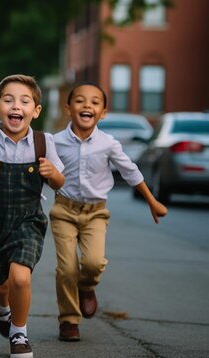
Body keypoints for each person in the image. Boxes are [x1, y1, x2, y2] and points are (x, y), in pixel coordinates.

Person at [51, 82, 167, 342]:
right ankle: (69, 320)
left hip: (95, 213)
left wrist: (151, 201)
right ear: (69, 108)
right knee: (66, 269)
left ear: (102, 112)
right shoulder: (55, 142)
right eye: (80, 101)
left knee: (92, 263)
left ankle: (87, 286)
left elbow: (131, 171)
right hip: (64, 211)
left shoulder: (108, 144)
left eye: (95, 102)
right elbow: (42, 172)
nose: (87, 106)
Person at [0, 74, 65, 358]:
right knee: (1, 285)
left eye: (24, 101)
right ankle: (3, 306)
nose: (16, 106)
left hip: (28, 219)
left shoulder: (44, 143)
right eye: (8, 100)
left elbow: (60, 182)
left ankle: (19, 333)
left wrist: (52, 174)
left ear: (36, 110)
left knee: (20, 278)